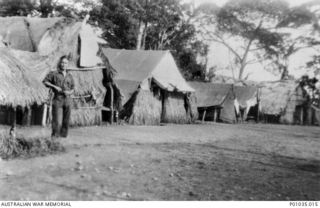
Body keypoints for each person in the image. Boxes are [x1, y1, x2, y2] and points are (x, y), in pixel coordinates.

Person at [43, 56, 75, 138]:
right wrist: (55, 86)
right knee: (57, 121)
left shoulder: (70, 76)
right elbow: (45, 81)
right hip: (58, 99)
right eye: (62, 62)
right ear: (60, 63)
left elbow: (73, 88)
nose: (64, 64)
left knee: (66, 121)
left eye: (65, 63)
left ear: (68, 64)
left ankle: (63, 138)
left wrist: (69, 92)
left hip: (68, 100)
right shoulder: (54, 74)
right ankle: (55, 138)